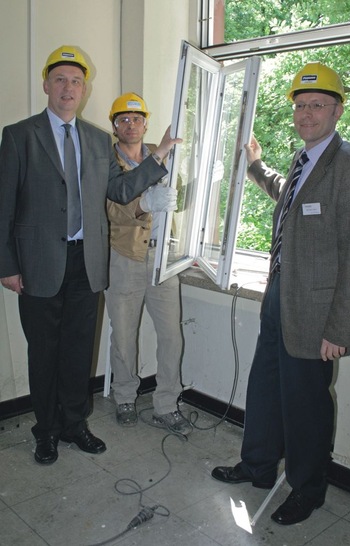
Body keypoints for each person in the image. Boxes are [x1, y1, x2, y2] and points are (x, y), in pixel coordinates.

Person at [0, 46, 181, 465]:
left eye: (76, 81)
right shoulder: (19, 135)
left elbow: (119, 190)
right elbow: (4, 205)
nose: (68, 88)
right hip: (39, 263)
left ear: (84, 90)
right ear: (46, 85)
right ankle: (45, 430)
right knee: (44, 351)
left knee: (79, 349)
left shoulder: (99, 139)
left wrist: (159, 155)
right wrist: (6, 265)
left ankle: (74, 424)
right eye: (60, 79)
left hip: (89, 261)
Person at [211, 62, 350, 525]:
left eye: (317, 105)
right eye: (301, 106)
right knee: (264, 387)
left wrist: (340, 328)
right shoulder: (306, 161)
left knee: (306, 406)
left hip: (319, 315)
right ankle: (258, 466)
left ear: (337, 110)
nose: (306, 114)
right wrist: (256, 166)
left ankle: (308, 489)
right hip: (281, 296)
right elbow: (288, 197)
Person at [105, 93, 192, 435]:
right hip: (124, 258)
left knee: (172, 336)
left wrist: (202, 187)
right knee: (124, 336)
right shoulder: (107, 161)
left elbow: (177, 200)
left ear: (146, 122)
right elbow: (110, 207)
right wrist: (143, 203)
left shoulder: (165, 153)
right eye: (123, 119)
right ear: (114, 125)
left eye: (136, 118)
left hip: (163, 258)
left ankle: (167, 404)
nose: (131, 124)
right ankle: (125, 396)